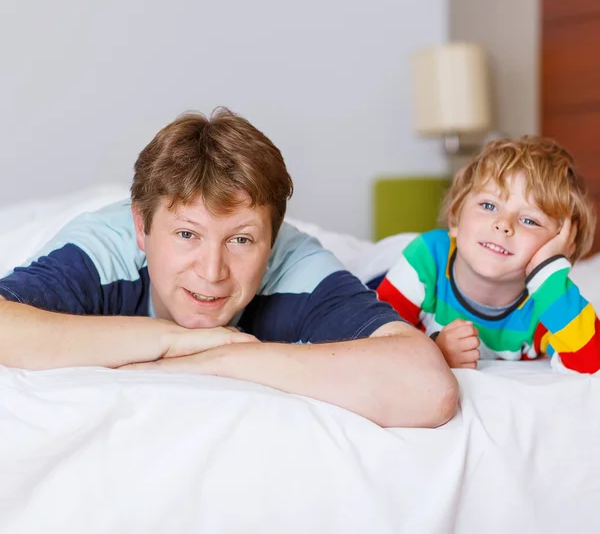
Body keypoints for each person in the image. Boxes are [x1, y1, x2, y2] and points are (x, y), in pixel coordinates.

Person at [0, 108, 457, 428]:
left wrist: (225, 357)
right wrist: (176, 341)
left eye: (241, 240)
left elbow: (427, 389)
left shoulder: (296, 263)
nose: (212, 271)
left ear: (273, 241)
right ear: (142, 228)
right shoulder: (107, 247)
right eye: (187, 235)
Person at [371, 137, 600, 374]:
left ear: (561, 243)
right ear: (456, 217)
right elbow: (373, 338)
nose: (503, 224)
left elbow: (593, 363)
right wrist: (436, 351)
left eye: (529, 220)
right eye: (489, 206)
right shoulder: (428, 258)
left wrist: (549, 274)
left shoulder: (548, 302)